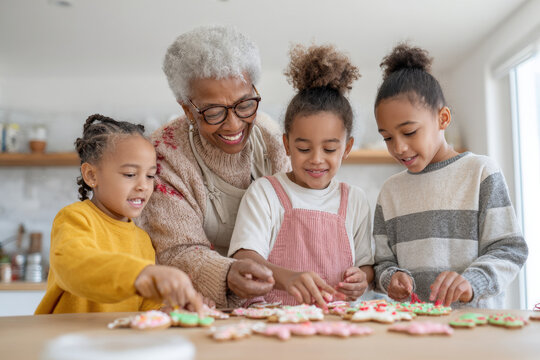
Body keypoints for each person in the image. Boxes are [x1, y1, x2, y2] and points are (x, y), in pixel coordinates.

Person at [138, 25, 290, 308]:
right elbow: (176, 251)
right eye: (214, 112)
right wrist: (228, 273)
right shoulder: (163, 156)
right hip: (196, 309)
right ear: (187, 109)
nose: (233, 125)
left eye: (245, 104)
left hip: (271, 305)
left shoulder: (272, 140)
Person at [372, 44, 528, 308]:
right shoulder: (390, 191)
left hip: (475, 332)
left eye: (409, 132)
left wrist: (472, 282)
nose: (398, 147)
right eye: (387, 137)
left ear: (442, 118)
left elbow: (509, 249)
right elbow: (381, 263)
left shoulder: (481, 172)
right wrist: (391, 277)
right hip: (411, 331)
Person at [228, 44, 375, 309]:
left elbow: (366, 266)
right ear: (286, 145)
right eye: (304, 148)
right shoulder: (266, 192)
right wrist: (286, 278)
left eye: (330, 149)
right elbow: (243, 258)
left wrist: (361, 279)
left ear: (347, 148)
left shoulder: (355, 200)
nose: (317, 158)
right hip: (274, 321)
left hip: (337, 322)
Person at [35, 114, 203, 314]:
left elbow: (145, 306)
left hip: (114, 341)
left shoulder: (142, 240)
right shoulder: (75, 218)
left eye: (150, 175)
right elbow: (73, 266)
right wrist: (141, 273)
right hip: (67, 339)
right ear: (91, 175)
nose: (143, 186)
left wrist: (172, 308)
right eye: (130, 174)